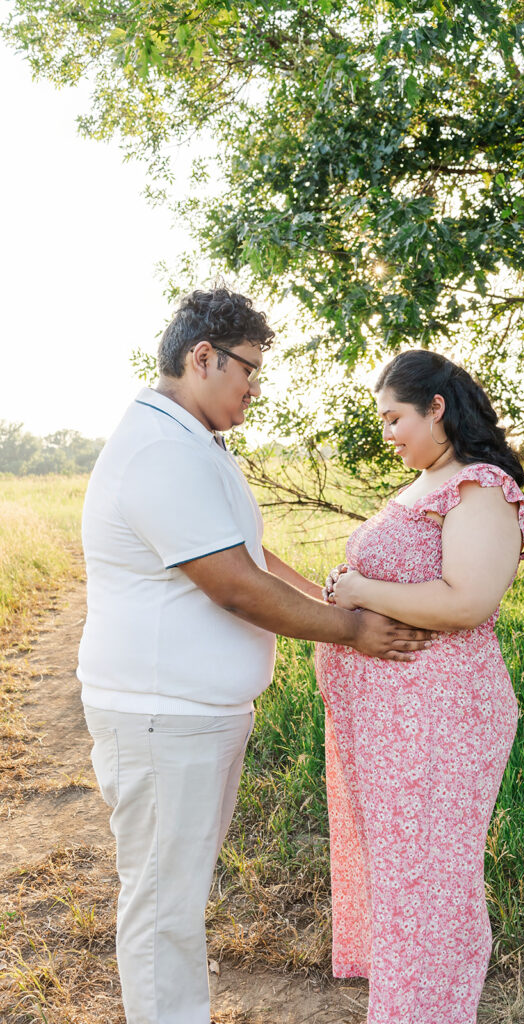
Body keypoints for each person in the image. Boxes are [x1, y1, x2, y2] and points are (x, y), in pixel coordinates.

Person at [77, 287, 434, 1024]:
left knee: (175, 891)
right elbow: (235, 587)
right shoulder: (157, 452)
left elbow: (248, 554)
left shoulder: (192, 445)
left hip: (189, 716)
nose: (255, 388)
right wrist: (353, 633)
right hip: (159, 719)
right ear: (200, 357)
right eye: (248, 369)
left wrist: (336, 605)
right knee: (161, 901)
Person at [316, 349, 524, 1024]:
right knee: (402, 879)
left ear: (436, 407)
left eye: (394, 418)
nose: (386, 433)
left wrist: (358, 589)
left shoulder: (478, 486)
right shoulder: (425, 485)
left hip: (441, 720)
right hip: (391, 726)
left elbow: (466, 601)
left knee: (430, 884)